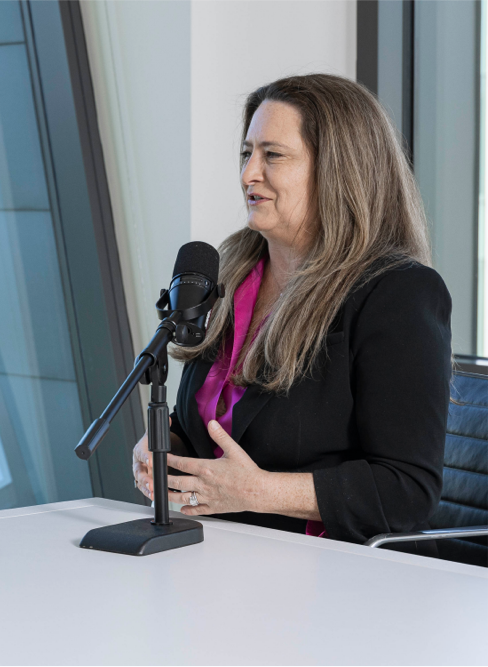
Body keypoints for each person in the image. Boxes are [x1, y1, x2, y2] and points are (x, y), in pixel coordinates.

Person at [131, 74, 451, 555]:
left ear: (339, 171)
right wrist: (165, 446)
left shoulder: (398, 293)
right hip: (212, 557)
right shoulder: (231, 273)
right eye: (246, 153)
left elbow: (406, 490)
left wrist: (255, 491)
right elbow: (208, 421)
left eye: (272, 155)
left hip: (325, 578)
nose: (247, 174)